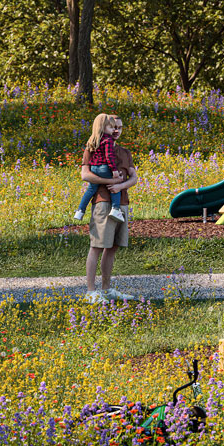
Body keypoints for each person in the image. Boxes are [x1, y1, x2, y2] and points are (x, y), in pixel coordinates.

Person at [79, 115, 138, 304]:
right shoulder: (92, 149)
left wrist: (121, 187)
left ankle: (106, 289)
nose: (117, 130)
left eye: (120, 127)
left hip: (121, 203)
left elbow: (134, 178)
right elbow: (85, 175)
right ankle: (90, 291)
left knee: (112, 247)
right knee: (97, 246)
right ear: (104, 127)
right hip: (102, 203)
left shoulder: (124, 152)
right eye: (113, 127)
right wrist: (110, 181)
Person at [74, 112, 129, 223]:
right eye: (111, 127)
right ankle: (115, 209)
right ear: (103, 127)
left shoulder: (93, 140)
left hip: (94, 168)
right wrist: (114, 171)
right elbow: (109, 157)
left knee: (90, 189)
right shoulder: (108, 140)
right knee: (115, 184)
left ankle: (80, 210)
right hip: (104, 168)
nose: (114, 130)